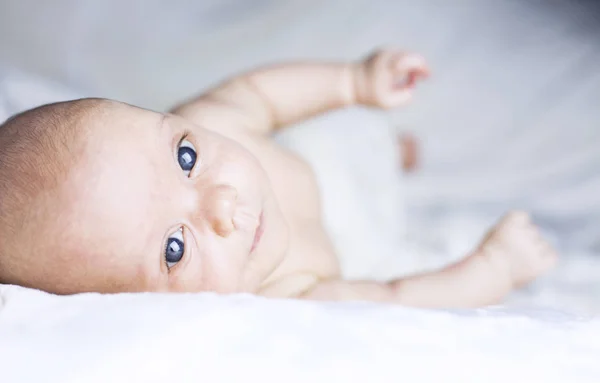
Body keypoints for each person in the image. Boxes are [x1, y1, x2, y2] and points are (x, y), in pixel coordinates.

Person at [0, 49, 557, 307]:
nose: (221, 203)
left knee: (362, 143)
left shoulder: (214, 124)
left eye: (186, 159)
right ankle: (392, 161)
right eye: (174, 248)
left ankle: (390, 150)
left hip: (322, 159)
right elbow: (397, 296)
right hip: (363, 231)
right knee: (395, 236)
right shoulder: (282, 295)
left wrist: (352, 82)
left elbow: (259, 97)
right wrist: (495, 266)